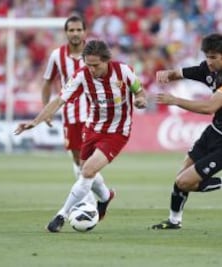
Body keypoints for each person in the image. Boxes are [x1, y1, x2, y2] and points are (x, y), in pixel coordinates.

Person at [14, 40, 147, 232]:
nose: (91, 69)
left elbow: (140, 92)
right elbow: (59, 101)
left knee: (87, 171)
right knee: (85, 168)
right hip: (92, 128)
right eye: (88, 64)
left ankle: (61, 215)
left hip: (117, 131)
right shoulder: (81, 75)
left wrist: (141, 100)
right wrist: (35, 121)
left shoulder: (124, 71)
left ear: (106, 60)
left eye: (96, 65)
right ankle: (106, 196)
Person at [151, 33, 222, 230]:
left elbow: (209, 108)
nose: (209, 62)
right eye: (207, 56)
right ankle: (174, 221)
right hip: (215, 131)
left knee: (184, 181)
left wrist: (176, 100)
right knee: (181, 177)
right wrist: (167, 73)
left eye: (214, 57)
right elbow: (180, 73)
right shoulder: (208, 68)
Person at [42, 15, 110, 209]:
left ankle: (87, 202)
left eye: (78, 30)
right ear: (66, 33)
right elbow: (47, 81)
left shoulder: (96, 53)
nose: (75, 33)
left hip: (95, 114)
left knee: (88, 161)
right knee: (78, 161)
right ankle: (104, 195)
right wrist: (46, 108)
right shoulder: (57, 55)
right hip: (70, 114)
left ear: (84, 31)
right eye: (71, 30)